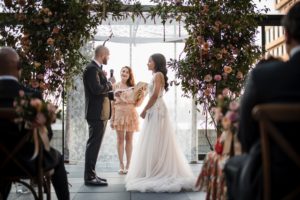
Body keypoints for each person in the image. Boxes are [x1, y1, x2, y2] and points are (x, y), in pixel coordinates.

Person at [225, 2, 300, 199]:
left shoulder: (263, 77)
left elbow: (246, 138)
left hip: (280, 178)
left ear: (287, 35)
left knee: (232, 165)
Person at [0, 47, 70, 200]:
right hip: (29, 163)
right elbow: (47, 135)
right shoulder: (33, 96)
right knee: (57, 158)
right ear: (19, 68)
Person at [125, 53, 195, 192]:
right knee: (155, 140)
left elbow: (156, 94)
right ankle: (154, 168)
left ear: (156, 62)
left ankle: (156, 170)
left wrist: (145, 110)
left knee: (155, 140)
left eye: (150, 61)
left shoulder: (157, 75)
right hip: (156, 109)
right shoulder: (156, 75)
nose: (147, 63)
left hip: (156, 110)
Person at [83, 45, 115, 186]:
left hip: (100, 113)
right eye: (108, 55)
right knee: (93, 145)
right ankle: (89, 177)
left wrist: (113, 93)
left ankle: (92, 174)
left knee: (95, 145)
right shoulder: (91, 69)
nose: (108, 58)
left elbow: (101, 91)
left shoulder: (97, 69)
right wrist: (110, 84)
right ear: (103, 54)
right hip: (96, 113)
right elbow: (96, 90)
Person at [110, 66, 142, 174]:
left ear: (129, 75)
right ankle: (121, 164)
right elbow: (112, 103)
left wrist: (141, 96)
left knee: (129, 139)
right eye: (123, 71)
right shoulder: (115, 86)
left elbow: (137, 104)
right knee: (120, 140)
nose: (124, 73)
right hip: (118, 113)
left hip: (130, 114)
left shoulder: (134, 87)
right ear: (120, 73)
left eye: (127, 72)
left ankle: (128, 164)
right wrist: (112, 118)